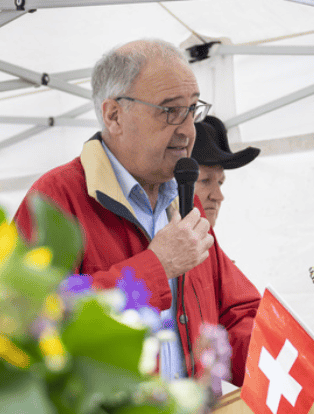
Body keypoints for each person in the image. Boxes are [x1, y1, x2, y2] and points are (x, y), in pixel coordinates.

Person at [13, 38, 260, 385]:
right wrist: (155, 268)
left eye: (192, 109)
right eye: (170, 111)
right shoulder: (54, 200)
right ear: (114, 115)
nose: (187, 130)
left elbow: (236, 314)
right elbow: (29, 321)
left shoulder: (185, 199)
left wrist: (310, 371)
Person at [192, 114, 260, 228]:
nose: (219, 196)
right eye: (204, 180)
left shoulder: (206, 240)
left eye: (220, 182)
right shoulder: (156, 240)